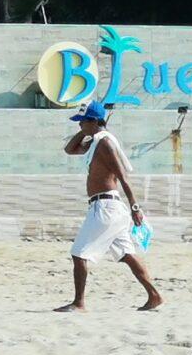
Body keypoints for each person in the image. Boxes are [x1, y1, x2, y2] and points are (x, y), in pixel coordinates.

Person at [57, 100, 164, 313]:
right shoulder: (96, 140)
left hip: (105, 207)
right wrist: (86, 130)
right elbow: (70, 149)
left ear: (95, 121)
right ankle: (154, 295)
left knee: (79, 254)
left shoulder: (105, 143)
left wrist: (135, 207)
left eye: (83, 121)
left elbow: (123, 177)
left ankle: (79, 303)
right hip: (109, 208)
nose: (79, 125)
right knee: (127, 254)